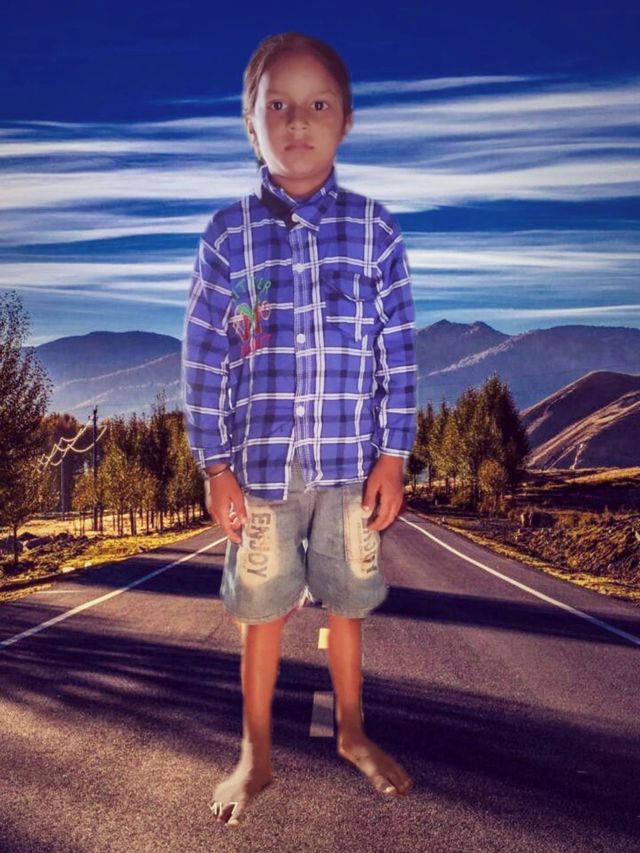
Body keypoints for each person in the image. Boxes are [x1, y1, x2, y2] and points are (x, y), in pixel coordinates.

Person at [181, 31, 417, 827]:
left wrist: (394, 453)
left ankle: (351, 731)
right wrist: (215, 465)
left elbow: (398, 353)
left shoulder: (376, 231)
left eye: (318, 104)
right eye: (276, 104)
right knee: (263, 614)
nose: (297, 121)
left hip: (353, 466)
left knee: (346, 605)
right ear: (250, 124)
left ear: (346, 120)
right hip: (261, 473)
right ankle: (256, 753)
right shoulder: (228, 236)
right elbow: (205, 359)